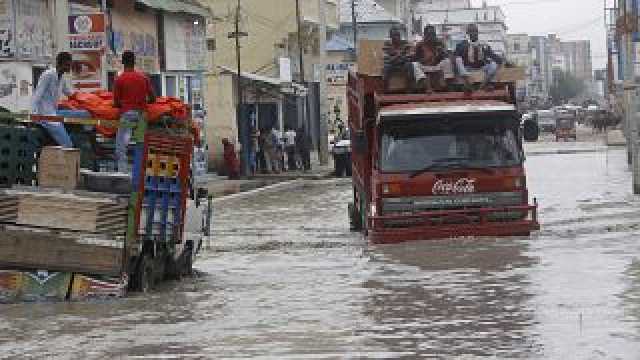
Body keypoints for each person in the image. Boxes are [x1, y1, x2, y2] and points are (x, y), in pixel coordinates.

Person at [113, 50, 156, 173]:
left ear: (122, 62)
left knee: (121, 147)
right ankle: (139, 176)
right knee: (140, 146)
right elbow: (153, 98)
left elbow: (116, 103)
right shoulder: (143, 78)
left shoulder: (119, 79)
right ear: (134, 62)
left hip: (127, 116)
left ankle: (122, 174)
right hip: (142, 116)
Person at [32, 52, 75, 148]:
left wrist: (87, 98)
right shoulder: (48, 75)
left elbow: (70, 93)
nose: (69, 68)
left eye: (70, 65)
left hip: (54, 112)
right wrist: (33, 114)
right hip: (45, 115)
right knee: (68, 144)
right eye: (67, 65)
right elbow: (37, 94)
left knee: (83, 114)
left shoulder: (62, 77)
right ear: (61, 64)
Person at [454, 24, 504, 90]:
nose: (473, 33)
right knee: (458, 59)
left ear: (477, 32)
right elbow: (455, 57)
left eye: (475, 31)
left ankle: (482, 86)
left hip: (481, 68)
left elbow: (493, 56)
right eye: (471, 31)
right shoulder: (461, 45)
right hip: (467, 69)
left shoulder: (483, 45)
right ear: (467, 33)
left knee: (493, 65)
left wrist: (501, 61)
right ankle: (467, 83)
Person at [412, 25, 450, 93]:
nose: (431, 36)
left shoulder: (439, 43)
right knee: (414, 65)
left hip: (436, 66)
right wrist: (424, 60)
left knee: (447, 61)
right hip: (424, 67)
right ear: (425, 35)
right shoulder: (419, 45)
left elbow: (446, 56)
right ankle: (428, 88)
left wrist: (442, 53)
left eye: (433, 34)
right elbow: (415, 59)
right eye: (429, 34)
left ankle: (449, 86)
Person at [382, 26, 415, 91]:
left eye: (398, 35)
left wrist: (399, 56)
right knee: (386, 67)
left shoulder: (405, 43)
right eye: (394, 35)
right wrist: (399, 55)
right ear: (391, 37)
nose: (397, 37)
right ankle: (385, 88)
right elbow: (386, 58)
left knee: (410, 65)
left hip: (402, 63)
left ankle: (409, 87)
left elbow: (409, 56)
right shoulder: (387, 44)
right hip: (392, 64)